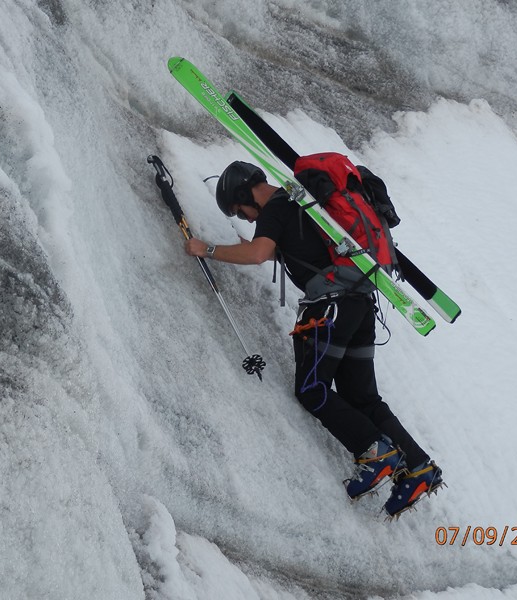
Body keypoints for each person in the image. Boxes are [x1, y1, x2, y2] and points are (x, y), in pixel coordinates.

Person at [184, 160, 443, 517]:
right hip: (360, 305)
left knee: (311, 389)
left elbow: (258, 253)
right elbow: (287, 248)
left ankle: (374, 452)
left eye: (241, 211)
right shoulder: (300, 200)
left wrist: (207, 250)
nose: (246, 218)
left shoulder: (275, 207)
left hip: (329, 309)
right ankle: (418, 469)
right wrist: (256, 245)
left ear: (244, 194)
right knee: (362, 398)